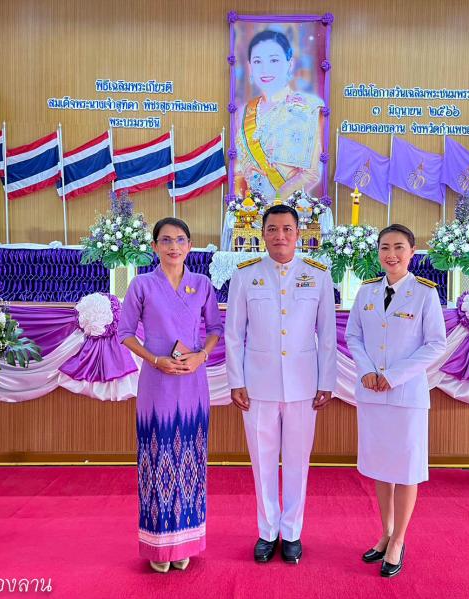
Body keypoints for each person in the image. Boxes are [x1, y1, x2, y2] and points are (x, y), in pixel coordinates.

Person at [225, 204, 337, 565]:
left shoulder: (318, 275)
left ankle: (291, 533)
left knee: (297, 462)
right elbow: (233, 334)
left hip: (304, 385)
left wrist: (326, 381)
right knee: (262, 462)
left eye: (287, 229)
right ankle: (267, 530)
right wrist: (236, 380)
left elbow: (328, 335)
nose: (280, 236)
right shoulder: (245, 275)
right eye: (272, 229)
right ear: (262, 234)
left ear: (298, 233)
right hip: (257, 385)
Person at [117, 217, 223, 574]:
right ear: (155, 246)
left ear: (190, 246)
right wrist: (155, 359)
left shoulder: (203, 284)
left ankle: (187, 543)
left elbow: (215, 329)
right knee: (157, 456)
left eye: (180, 240)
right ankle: (158, 544)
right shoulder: (142, 285)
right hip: (157, 380)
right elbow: (126, 333)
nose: (173, 246)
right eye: (165, 240)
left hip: (192, 380)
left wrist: (201, 356)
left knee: (190, 458)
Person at [344, 224, 446, 578]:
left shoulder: (424, 293)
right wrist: (368, 370)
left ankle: (399, 540)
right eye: (385, 247)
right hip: (372, 393)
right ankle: (385, 533)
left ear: (412, 252)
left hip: (406, 396)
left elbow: (435, 343)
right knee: (380, 467)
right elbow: (353, 334)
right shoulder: (368, 290)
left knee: (405, 471)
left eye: (399, 247)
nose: (391, 254)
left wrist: (394, 375)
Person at [234, 29, 325, 201]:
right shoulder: (242, 112)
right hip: (250, 208)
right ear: (250, 67)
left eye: (274, 60)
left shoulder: (307, 108)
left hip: (289, 209)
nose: (265, 69)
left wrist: (275, 202)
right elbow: (240, 165)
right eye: (258, 61)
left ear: (289, 64)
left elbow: (311, 173)